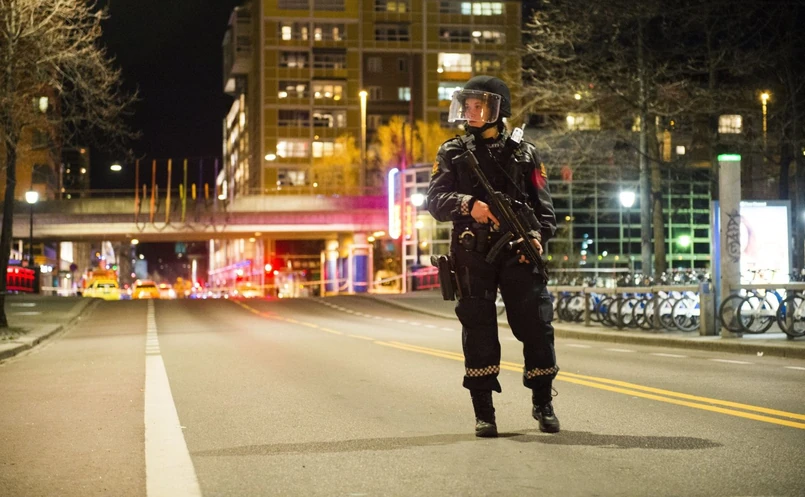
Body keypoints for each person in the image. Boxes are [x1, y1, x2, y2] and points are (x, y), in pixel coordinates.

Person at [426, 76, 559, 437]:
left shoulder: (526, 153)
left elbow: (545, 209)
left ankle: (543, 401)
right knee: (478, 330)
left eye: (478, 105)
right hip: (473, 253)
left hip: (518, 251)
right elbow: (434, 201)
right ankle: (484, 412)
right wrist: (469, 204)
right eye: (467, 105)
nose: (470, 112)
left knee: (536, 325)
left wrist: (538, 237)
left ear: (498, 109)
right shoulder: (452, 152)